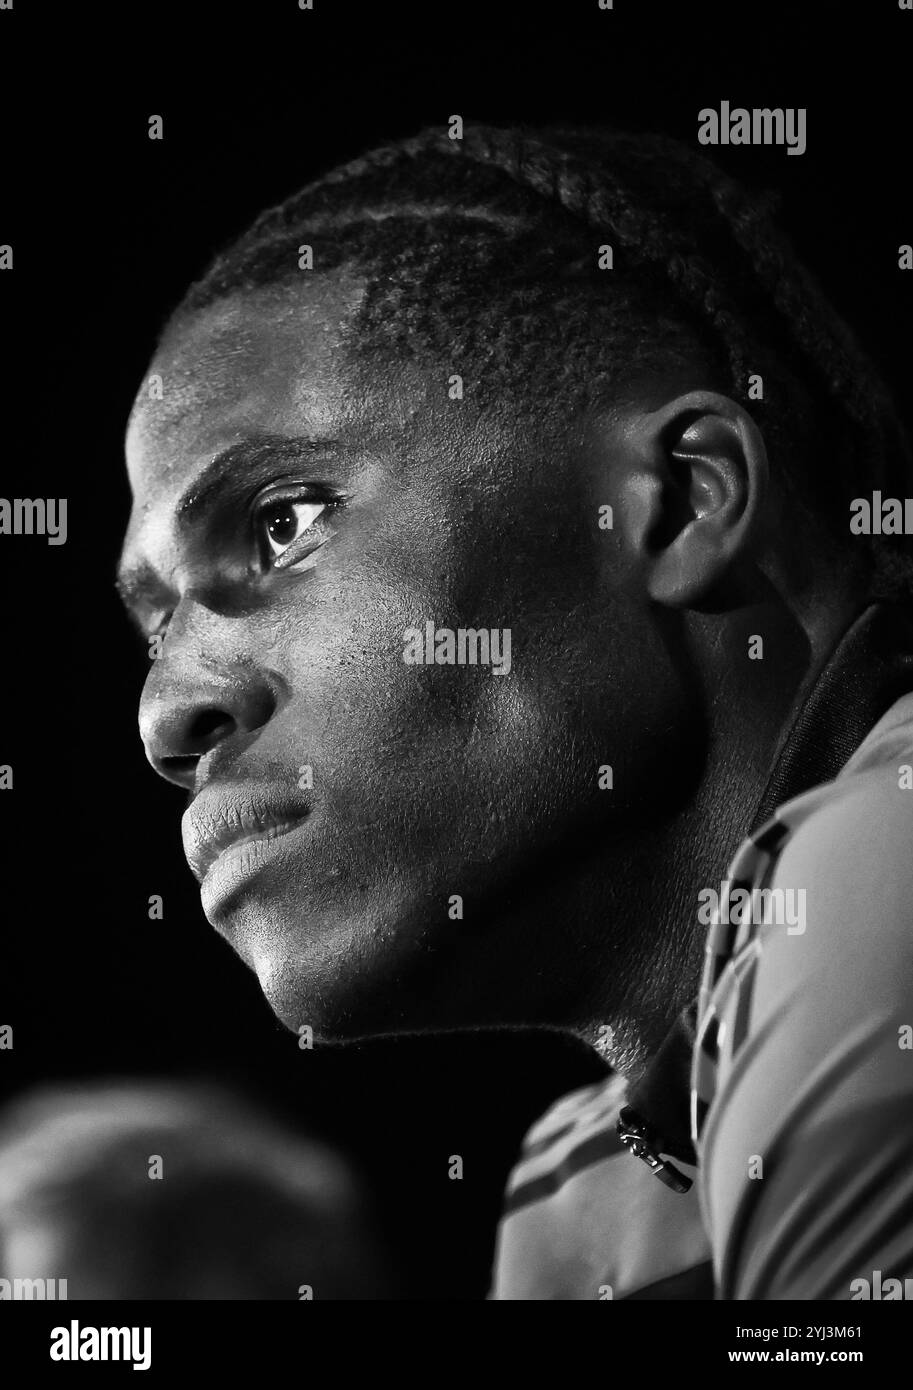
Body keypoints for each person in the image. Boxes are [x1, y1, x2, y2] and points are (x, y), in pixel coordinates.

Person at [117, 126, 913, 1298]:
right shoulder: (582, 1187)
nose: (165, 714)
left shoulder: (884, 854)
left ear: (685, 503)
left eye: (283, 521)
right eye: (156, 622)